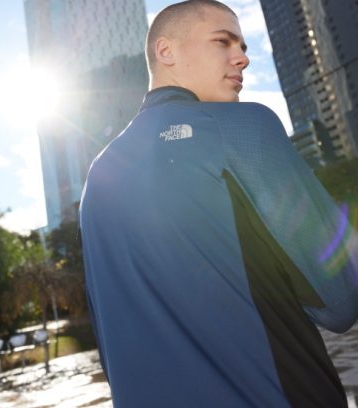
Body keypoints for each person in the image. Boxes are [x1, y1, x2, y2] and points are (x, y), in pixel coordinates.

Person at [79, 1, 358, 407]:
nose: (242, 58)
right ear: (166, 51)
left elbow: (106, 335)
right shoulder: (244, 128)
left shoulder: (96, 179)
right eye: (222, 42)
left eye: (242, 46)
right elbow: (341, 299)